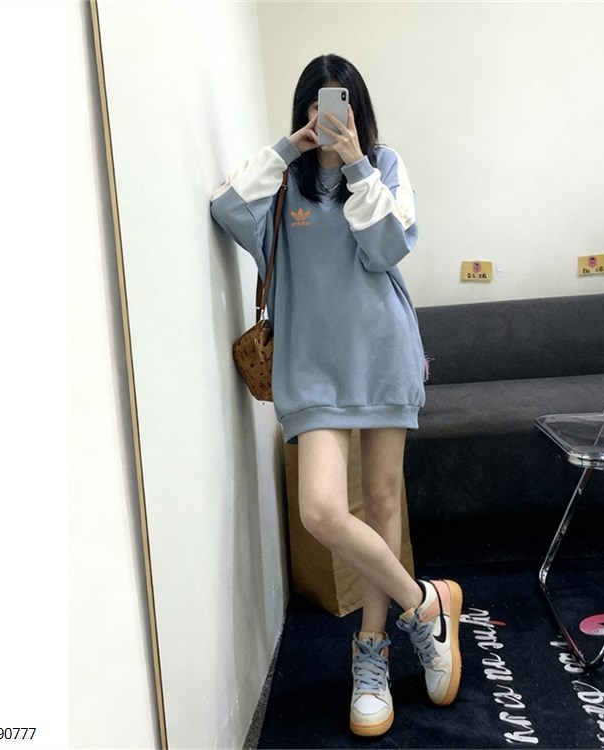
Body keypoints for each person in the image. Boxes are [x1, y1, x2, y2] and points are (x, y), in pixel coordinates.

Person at [210, 53, 462, 737]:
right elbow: (226, 208)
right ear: (304, 110)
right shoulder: (282, 184)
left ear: (358, 109)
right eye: (318, 105)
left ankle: (371, 654)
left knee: (382, 503)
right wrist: (288, 149)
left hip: (382, 355)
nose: (329, 117)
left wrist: (355, 166)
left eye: (341, 104)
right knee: (322, 508)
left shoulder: (385, 167)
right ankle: (425, 605)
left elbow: (388, 249)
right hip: (311, 371)